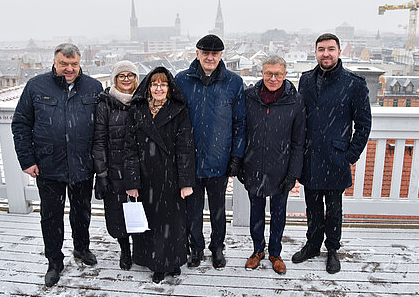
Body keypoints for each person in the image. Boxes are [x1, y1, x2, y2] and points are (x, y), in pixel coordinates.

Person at [11, 43, 103, 287]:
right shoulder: (36, 86)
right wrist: (27, 160)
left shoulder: (93, 87)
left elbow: (101, 129)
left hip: (83, 164)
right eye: (64, 64)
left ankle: (82, 249)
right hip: (48, 164)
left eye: (74, 64)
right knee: (51, 216)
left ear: (80, 63)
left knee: (81, 212)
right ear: (55, 63)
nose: (69, 69)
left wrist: (99, 162)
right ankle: (54, 261)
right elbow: (20, 123)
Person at [293, 33, 372, 274]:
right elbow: (300, 117)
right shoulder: (305, 80)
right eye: (321, 49)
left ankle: (333, 249)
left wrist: (350, 155)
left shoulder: (354, 83)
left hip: (336, 158)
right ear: (315, 52)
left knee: (334, 208)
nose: (325, 53)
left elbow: (364, 123)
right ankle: (313, 245)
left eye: (330, 49)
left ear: (338, 52)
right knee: (312, 206)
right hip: (311, 157)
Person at [175, 34, 246, 269]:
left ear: (221, 56)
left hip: (219, 158)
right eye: (205, 53)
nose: (210, 57)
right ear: (197, 54)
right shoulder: (182, 80)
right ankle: (196, 248)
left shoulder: (233, 83)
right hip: (190, 159)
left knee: (218, 209)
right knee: (192, 210)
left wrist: (236, 156)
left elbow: (240, 123)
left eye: (214, 54)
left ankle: (217, 248)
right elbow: (173, 120)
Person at [124, 66, 195, 284]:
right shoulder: (136, 110)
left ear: (170, 88)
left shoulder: (179, 110)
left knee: (173, 223)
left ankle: (173, 262)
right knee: (151, 222)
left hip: (171, 177)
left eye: (163, 84)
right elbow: (129, 149)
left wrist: (185, 182)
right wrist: (132, 181)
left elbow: (185, 147)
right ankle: (155, 264)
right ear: (147, 87)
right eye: (154, 84)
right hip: (146, 178)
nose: (158, 88)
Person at [241, 55, 305, 275]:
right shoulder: (249, 97)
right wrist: (240, 163)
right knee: (255, 212)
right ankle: (257, 250)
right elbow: (241, 132)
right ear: (262, 74)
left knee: (279, 214)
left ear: (285, 75)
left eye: (278, 74)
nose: (273, 78)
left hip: (281, 169)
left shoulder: (295, 101)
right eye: (269, 73)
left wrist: (293, 173)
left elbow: (298, 141)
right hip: (253, 167)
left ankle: (275, 253)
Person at [91, 60, 139, 270]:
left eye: (130, 75)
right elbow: (99, 141)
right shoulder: (105, 104)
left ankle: (140, 249)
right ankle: (125, 250)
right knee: (118, 214)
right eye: (122, 76)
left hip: (139, 169)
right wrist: (101, 173)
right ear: (115, 79)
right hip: (114, 169)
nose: (126, 79)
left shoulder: (143, 101)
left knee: (140, 211)